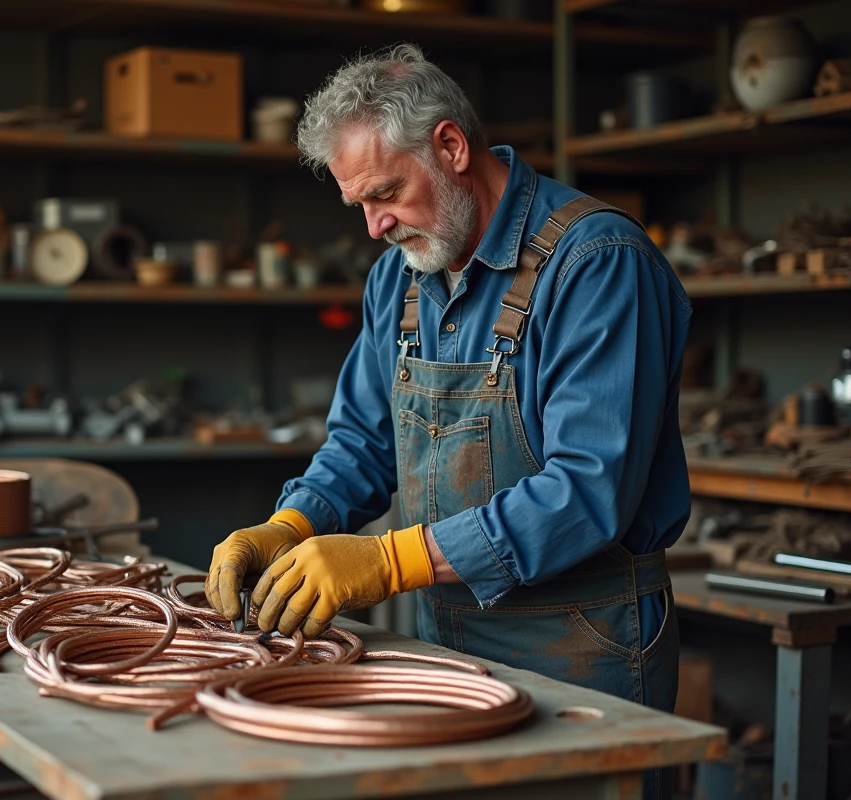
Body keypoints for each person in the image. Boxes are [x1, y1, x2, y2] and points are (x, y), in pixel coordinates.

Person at [206, 43, 691, 798]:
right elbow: (362, 444)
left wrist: (389, 563)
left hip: (582, 643)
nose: (375, 226)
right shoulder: (400, 277)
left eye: (386, 194)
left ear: (452, 147)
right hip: (445, 641)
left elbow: (588, 490)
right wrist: (291, 525)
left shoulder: (595, 263)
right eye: (360, 205)